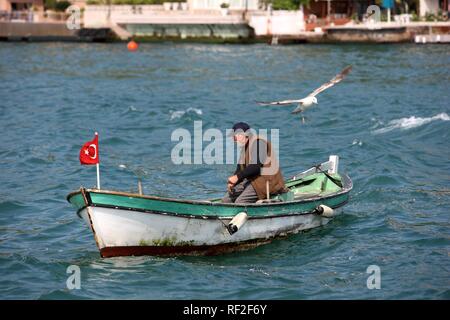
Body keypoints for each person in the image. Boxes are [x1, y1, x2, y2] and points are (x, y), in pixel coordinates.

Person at [222, 122, 287, 204]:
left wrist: (237, 177)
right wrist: (233, 182)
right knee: (225, 200)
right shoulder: (244, 148)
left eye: (234, 137)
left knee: (240, 202)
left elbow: (256, 166)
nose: (234, 140)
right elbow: (240, 169)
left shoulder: (259, 143)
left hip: (265, 182)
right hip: (252, 181)